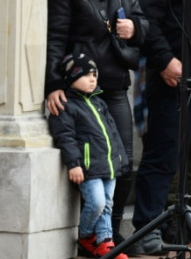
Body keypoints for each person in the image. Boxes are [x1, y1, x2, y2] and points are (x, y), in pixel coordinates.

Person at [46, 0, 147, 245]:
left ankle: (113, 235)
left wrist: (134, 28)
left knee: (123, 165)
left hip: (116, 82)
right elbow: (55, 40)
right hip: (79, 90)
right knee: (92, 166)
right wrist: (53, 83)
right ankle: (94, 237)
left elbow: (142, 20)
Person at [128, 0, 191, 255]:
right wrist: (165, 60)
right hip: (172, 76)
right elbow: (147, 20)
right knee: (163, 155)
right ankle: (147, 228)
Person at [47, 53, 130, 259]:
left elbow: (113, 134)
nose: (93, 79)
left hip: (108, 166)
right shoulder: (65, 106)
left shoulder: (100, 103)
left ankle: (105, 243)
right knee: (97, 203)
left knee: (107, 205)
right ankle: (85, 235)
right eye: (86, 75)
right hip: (88, 168)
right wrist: (74, 164)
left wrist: (120, 161)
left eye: (95, 74)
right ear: (71, 78)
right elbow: (65, 137)